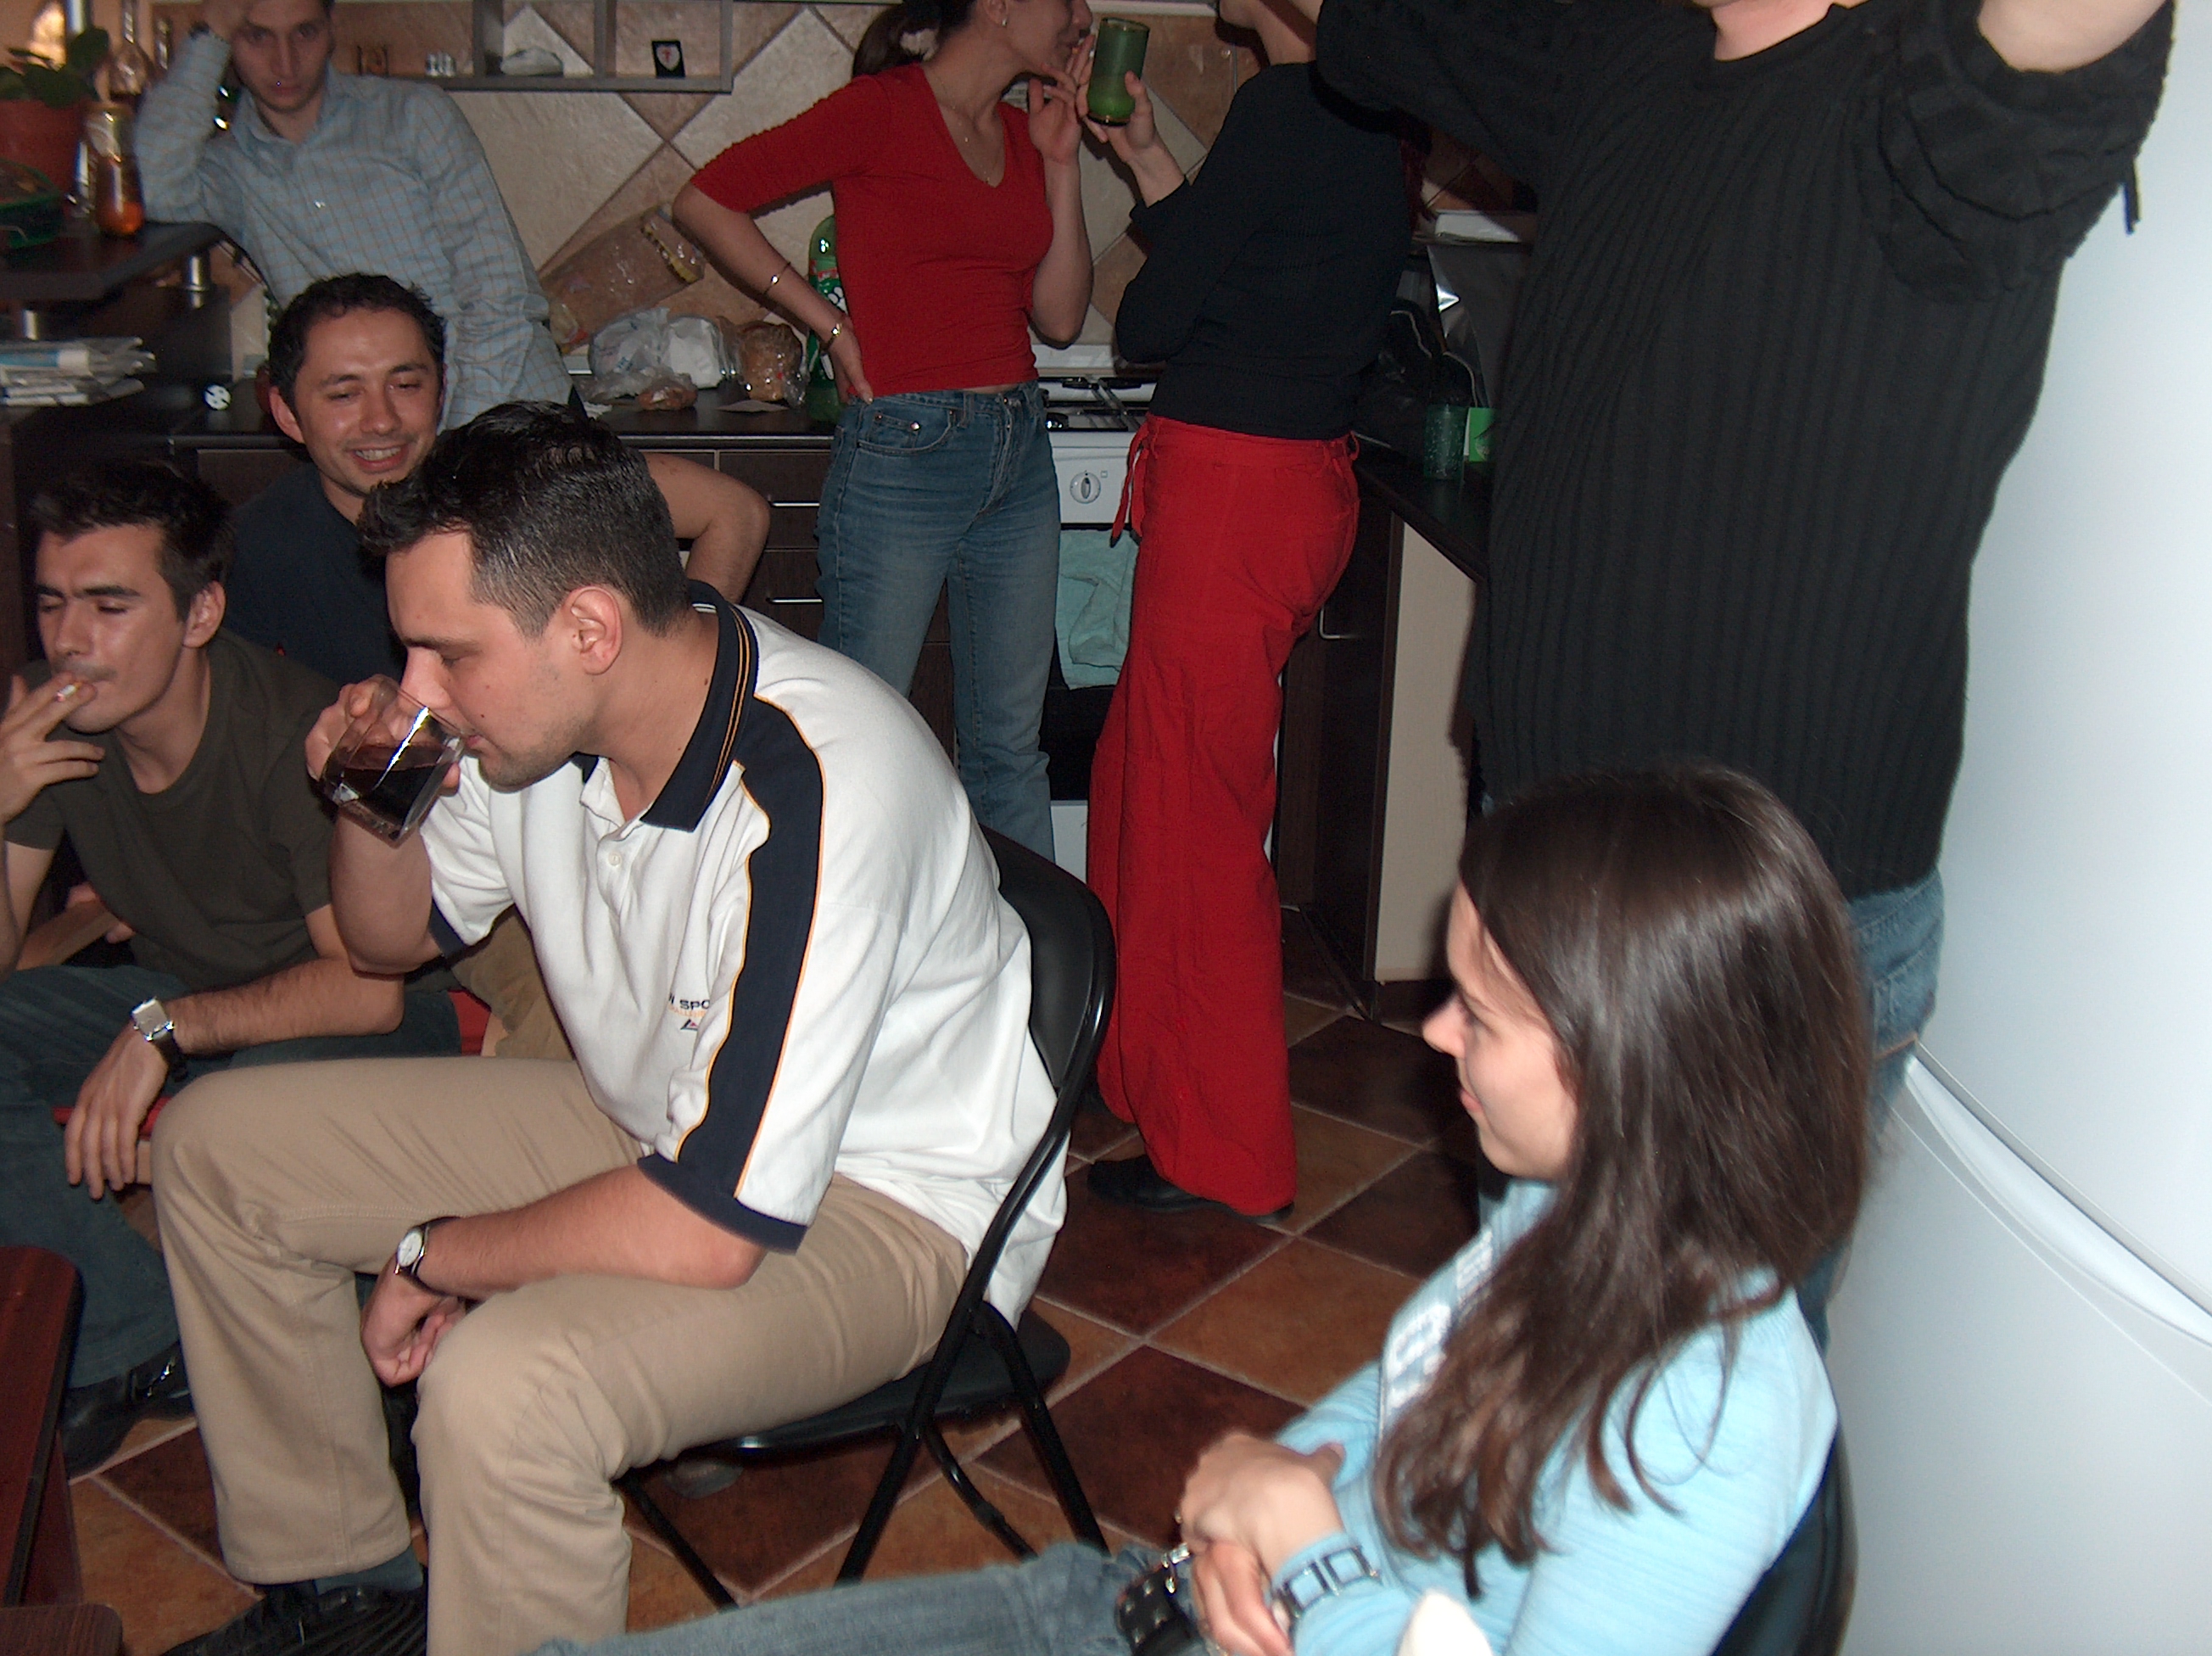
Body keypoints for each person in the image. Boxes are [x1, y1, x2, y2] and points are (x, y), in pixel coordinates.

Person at [532, 763, 1869, 1656]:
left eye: (1485, 1013)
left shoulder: (1706, 1420)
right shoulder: (1572, 1206)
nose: (1437, 1034)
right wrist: (1260, 1510)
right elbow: (1413, 1389)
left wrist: (1305, 1551)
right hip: (1175, 1610)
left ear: (1628, 1063)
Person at [1288, 0, 2170, 1331]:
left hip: (1736, 949)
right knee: (1549, 1377)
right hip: (1541, 879)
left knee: (1676, 1422)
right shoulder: (1626, 52)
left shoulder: (1936, 97)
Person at [153, 406, 1061, 1656]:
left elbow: (710, 1227)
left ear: (588, 629)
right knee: (213, 1148)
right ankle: (343, 1591)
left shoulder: (816, 788)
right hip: (655, 1123)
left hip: (886, 1208)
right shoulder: (538, 730)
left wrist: (438, 1254)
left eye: (445, 655)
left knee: (502, 1390)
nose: (416, 691)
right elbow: (384, 942)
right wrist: (376, 793)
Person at [0, 462, 459, 1476]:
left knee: (242, 1106)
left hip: (365, 1018)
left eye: (109, 605)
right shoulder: (45, 716)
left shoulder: (285, 730)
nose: (70, 639)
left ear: (200, 613)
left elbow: (367, 989)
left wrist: (163, 1030)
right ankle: (138, 1336)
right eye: (51, 602)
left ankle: (358, 1384)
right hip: (187, 999)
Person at [227, 274, 774, 1060]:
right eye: (343, 393)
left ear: (443, 388)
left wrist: (657, 648)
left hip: (565, 824)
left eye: (406, 383)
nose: (381, 419)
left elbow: (736, 509)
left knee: (620, 1037)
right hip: (413, 850)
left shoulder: (521, 495)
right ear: (286, 410)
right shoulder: (259, 547)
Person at [1075, 0, 1409, 1222]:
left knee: (1197, 829)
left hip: (1231, 498)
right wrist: (1150, 163)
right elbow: (1264, 275)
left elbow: (1153, 322)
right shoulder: (1374, 111)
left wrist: (1163, 245)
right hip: (1291, 486)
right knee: (1142, 782)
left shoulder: (1281, 106)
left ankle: (1221, 1151)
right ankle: (1140, 1069)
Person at [672, 0, 1097, 859]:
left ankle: (1020, 948)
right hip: (905, 452)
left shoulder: (1025, 134)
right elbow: (704, 199)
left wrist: (1061, 163)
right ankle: (833, 934)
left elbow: (1059, 316)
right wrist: (830, 327)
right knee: (857, 737)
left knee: (1010, 750)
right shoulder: (882, 109)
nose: (1082, 16)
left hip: (1018, 448)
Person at [134, 0, 568, 426]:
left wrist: (454, 437)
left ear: (331, 29)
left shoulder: (414, 115)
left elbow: (501, 295)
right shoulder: (231, 169)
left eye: (304, 32)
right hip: (385, 431)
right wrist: (208, 38)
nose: (285, 62)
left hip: (513, 413)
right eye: (258, 37)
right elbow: (152, 186)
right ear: (231, 43)